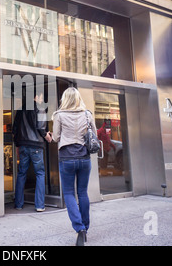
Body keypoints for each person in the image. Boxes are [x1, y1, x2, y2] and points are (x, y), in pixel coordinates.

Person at [51, 87, 96, 246]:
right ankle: (86, 227)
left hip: (67, 158)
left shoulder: (59, 115)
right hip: (84, 158)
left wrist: (51, 136)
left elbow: (56, 137)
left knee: (69, 193)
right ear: (78, 98)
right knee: (83, 192)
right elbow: (94, 136)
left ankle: (79, 228)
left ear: (65, 99)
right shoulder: (87, 114)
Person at [12, 93, 52, 212]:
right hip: (35, 146)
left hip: (23, 145)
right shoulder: (39, 108)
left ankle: (18, 204)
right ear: (37, 96)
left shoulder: (20, 110)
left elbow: (14, 129)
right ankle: (39, 205)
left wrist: (18, 143)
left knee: (21, 173)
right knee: (40, 173)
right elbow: (40, 126)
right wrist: (47, 136)